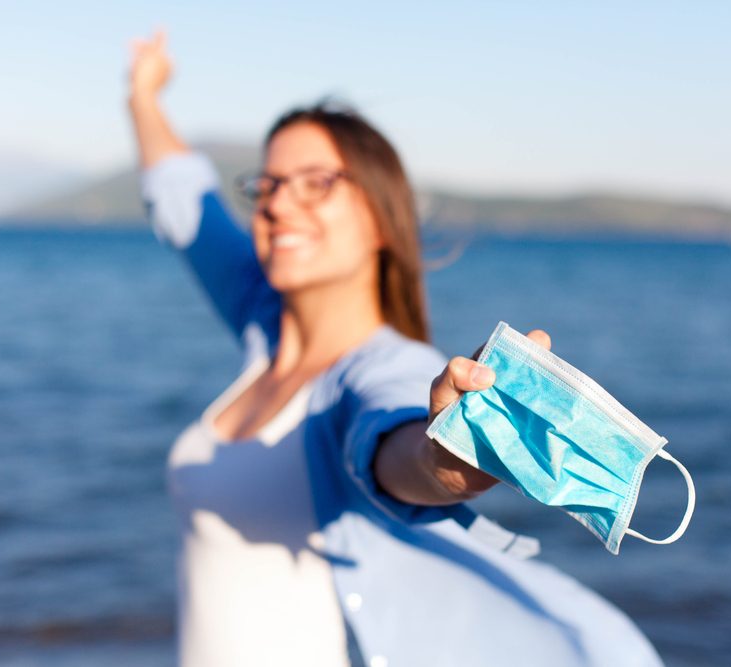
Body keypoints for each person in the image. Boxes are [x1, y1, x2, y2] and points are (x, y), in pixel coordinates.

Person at [128, 30, 663, 667]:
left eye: (316, 183)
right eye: (268, 186)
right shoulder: (262, 322)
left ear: (381, 215)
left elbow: (402, 449)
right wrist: (142, 94)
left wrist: (456, 453)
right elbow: (183, 201)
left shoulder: (382, 367)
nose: (278, 205)